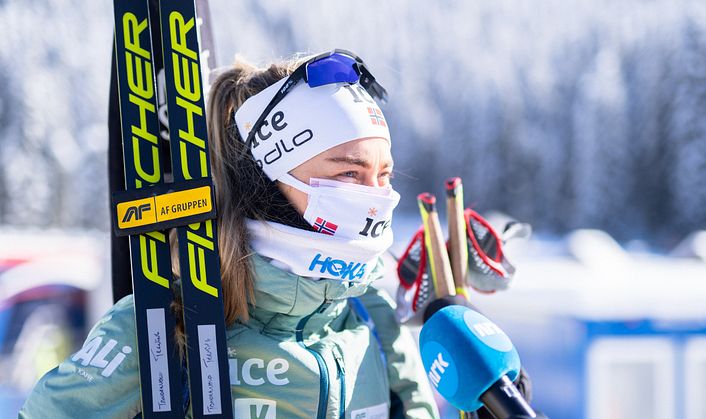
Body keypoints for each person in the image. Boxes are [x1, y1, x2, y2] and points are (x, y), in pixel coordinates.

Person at [19, 50, 439, 418]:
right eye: (349, 172)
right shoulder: (160, 326)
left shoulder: (373, 317)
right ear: (267, 180)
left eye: (382, 174)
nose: (376, 197)